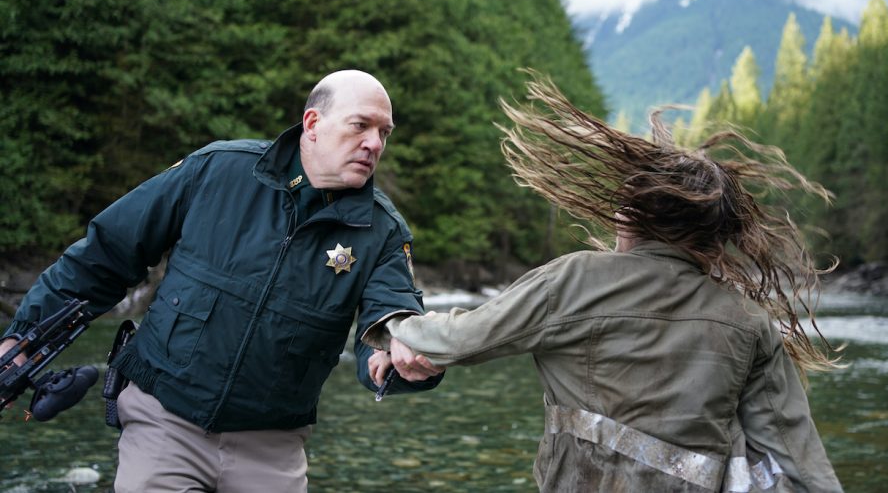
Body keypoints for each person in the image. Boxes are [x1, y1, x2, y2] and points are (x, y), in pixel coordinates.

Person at [364, 77, 843, 492]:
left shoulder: (575, 279)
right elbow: (797, 454)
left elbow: (460, 339)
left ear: (632, 216)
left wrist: (391, 330)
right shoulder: (748, 319)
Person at [0, 70, 442, 492]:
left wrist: (397, 359)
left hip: (273, 445)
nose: (374, 143)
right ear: (313, 123)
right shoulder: (217, 170)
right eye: (361, 125)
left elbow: (391, 317)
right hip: (164, 419)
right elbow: (106, 254)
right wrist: (21, 340)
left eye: (384, 133)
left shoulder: (383, 231)